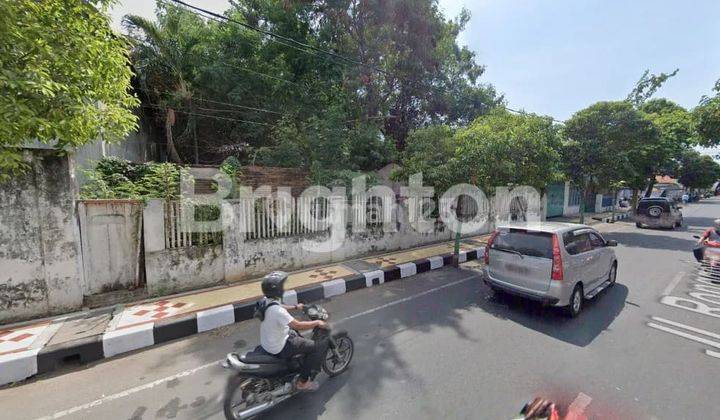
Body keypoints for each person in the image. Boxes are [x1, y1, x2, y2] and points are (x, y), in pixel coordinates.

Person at [258, 271, 328, 392]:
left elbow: (279, 306)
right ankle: (303, 382)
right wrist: (317, 323)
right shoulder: (278, 312)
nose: (283, 289)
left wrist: (296, 307)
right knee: (314, 347)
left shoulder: (265, 301)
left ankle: (293, 366)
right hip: (279, 346)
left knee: (293, 332)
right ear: (278, 290)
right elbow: (298, 325)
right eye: (282, 286)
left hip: (268, 341)